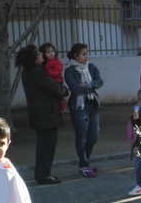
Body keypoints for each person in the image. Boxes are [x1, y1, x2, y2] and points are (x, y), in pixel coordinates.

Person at [15, 45, 68, 185]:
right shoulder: (37, 72)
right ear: (33, 58)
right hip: (45, 115)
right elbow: (53, 88)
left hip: (42, 115)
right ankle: (43, 175)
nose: (42, 55)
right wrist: (64, 90)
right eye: (38, 53)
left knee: (45, 145)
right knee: (46, 146)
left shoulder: (30, 71)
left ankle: (44, 174)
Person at [65, 43, 104, 178]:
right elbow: (75, 89)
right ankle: (84, 164)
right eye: (83, 54)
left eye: (87, 53)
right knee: (82, 137)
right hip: (79, 107)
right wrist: (91, 87)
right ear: (75, 56)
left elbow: (100, 82)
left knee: (93, 136)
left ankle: (84, 163)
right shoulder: (70, 71)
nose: (87, 56)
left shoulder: (91, 67)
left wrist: (87, 84)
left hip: (93, 105)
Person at [39, 42, 69, 113]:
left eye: (52, 51)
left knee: (58, 95)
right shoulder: (44, 62)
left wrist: (47, 73)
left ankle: (64, 105)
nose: (51, 53)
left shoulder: (57, 62)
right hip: (49, 81)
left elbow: (57, 72)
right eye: (48, 52)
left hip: (57, 81)